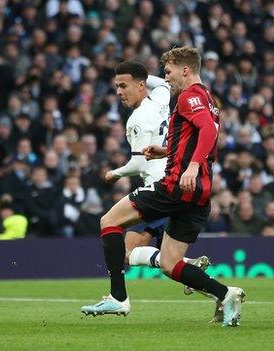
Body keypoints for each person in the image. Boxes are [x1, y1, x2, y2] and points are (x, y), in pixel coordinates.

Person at [82, 48, 245, 327]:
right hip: (199, 194)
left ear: (184, 70)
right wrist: (165, 151)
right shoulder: (208, 98)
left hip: (176, 185)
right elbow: (196, 137)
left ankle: (118, 297)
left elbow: (208, 131)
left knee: (109, 221)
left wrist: (191, 166)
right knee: (170, 263)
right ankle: (225, 294)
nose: (166, 79)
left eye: (168, 72)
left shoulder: (188, 96)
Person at [100, 62, 211, 295]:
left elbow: (140, 162)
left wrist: (115, 173)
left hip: (160, 187)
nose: (120, 92)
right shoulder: (161, 99)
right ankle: (218, 291)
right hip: (176, 182)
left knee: (128, 251)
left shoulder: (137, 119)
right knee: (169, 260)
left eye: (123, 86)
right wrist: (137, 76)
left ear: (139, 86)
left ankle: (119, 296)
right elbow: (161, 83)